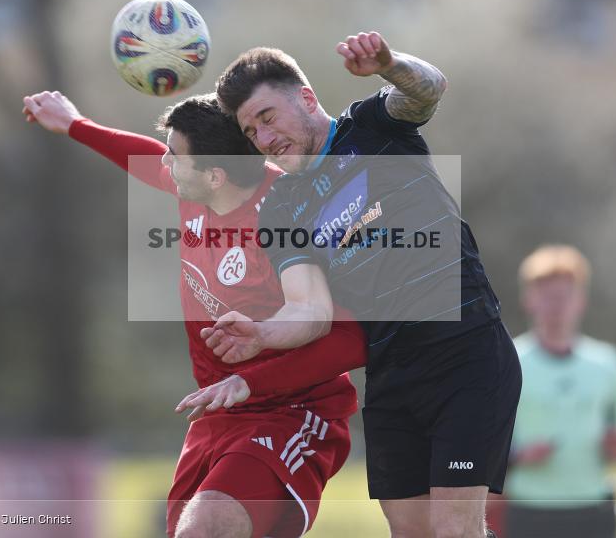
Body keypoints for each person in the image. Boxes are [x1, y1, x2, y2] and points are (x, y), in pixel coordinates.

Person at [186, 32, 522, 538]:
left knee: (454, 529)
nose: (264, 137)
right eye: (251, 130)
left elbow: (428, 89)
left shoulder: (371, 127)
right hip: (389, 376)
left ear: (305, 98)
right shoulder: (281, 208)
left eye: (268, 116)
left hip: (464, 352)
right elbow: (311, 310)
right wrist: (262, 333)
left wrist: (389, 64)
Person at [20, 90, 366, 538]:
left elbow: (354, 336)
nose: (165, 164)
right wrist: (75, 123)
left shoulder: (288, 217)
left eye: (174, 156)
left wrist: (252, 381)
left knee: (205, 529)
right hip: (218, 413)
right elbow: (144, 157)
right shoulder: (201, 186)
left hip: (292, 412)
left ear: (216, 175)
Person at [504, 244, 616, 538]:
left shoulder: (609, 363)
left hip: (594, 508)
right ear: (529, 300)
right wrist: (516, 457)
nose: (557, 305)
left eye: (564, 296)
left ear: (581, 301)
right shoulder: (508, 361)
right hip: (528, 507)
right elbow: (482, 441)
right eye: (548, 296)